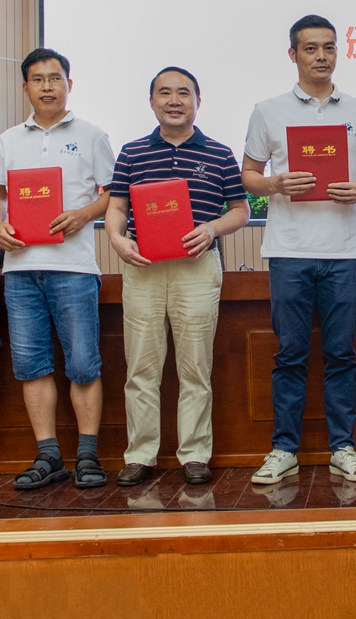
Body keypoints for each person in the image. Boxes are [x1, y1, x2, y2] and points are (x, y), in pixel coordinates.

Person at [241, 14, 356, 486]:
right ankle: (284, 449)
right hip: (289, 250)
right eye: (310, 48)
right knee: (290, 354)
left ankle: (343, 448)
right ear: (293, 54)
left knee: (342, 354)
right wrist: (275, 184)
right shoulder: (268, 110)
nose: (321, 56)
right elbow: (249, 175)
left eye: (329, 47)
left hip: (345, 251)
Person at [106, 66, 250, 488]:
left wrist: (212, 229)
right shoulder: (132, 153)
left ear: (197, 101)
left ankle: (195, 453)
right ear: (152, 101)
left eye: (183, 93)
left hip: (196, 269)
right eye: (165, 93)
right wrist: (117, 240)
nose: (174, 100)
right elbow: (116, 207)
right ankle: (140, 455)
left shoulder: (219, 154)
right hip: (143, 268)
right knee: (141, 367)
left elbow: (240, 210)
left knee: (195, 368)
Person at [0, 47, 116, 490]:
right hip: (19, 269)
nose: (47, 86)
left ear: (69, 84)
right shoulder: (9, 139)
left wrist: (84, 214)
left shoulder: (92, 135)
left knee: (83, 364)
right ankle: (48, 456)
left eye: (55, 78)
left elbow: (112, 193)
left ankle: (87, 456)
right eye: (38, 79)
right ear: (25, 87)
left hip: (74, 268)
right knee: (31, 365)